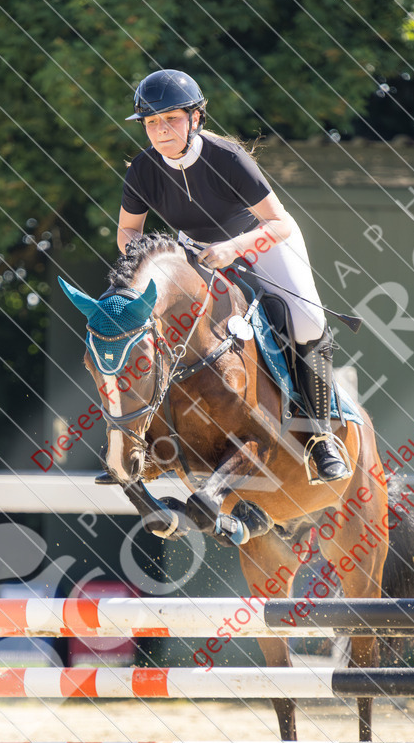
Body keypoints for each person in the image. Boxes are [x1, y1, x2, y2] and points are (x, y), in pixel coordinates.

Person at [98, 68, 348, 485]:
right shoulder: (142, 169)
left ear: (196, 118)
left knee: (307, 320)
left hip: (261, 243)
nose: (160, 130)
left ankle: (321, 438)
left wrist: (235, 248)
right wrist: (143, 259)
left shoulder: (227, 156)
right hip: (194, 251)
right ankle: (136, 442)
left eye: (171, 119)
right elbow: (128, 231)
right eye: (151, 123)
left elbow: (280, 223)